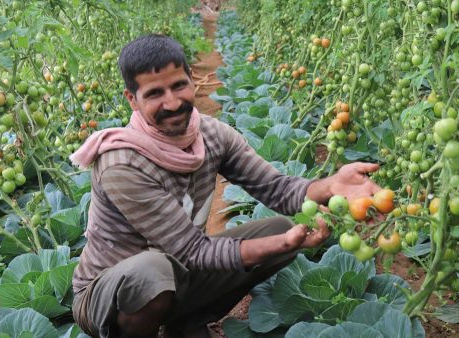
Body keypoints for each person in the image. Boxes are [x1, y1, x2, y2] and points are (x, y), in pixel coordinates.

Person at [70, 34, 381, 338]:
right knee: (152, 271)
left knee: (276, 228)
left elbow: (277, 188)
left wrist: (330, 185)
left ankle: (186, 321)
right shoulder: (122, 162)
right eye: (155, 93)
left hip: (178, 271)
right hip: (106, 297)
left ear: (191, 81)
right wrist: (286, 243)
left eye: (179, 85)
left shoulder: (212, 136)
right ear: (132, 99)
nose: (172, 102)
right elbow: (194, 251)